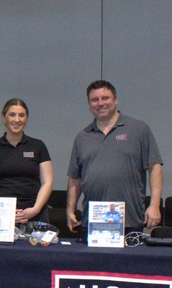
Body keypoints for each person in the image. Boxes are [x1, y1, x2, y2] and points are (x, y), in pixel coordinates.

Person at [66, 80, 163, 233]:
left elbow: (154, 166)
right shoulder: (82, 137)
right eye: (94, 100)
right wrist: (70, 210)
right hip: (93, 220)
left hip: (130, 219)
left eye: (105, 98)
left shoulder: (138, 129)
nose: (100, 103)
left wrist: (154, 205)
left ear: (115, 100)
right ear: (89, 104)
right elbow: (74, 178)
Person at [0, 98, 54, 224]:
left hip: (35, 214)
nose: (17, 120)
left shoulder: (38, 146)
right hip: (0, 215)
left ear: (26, 119)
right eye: (12, 115)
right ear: (4, 118)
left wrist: (35, 209)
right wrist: (3, 210)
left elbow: (47, 182)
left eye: (21, 115)